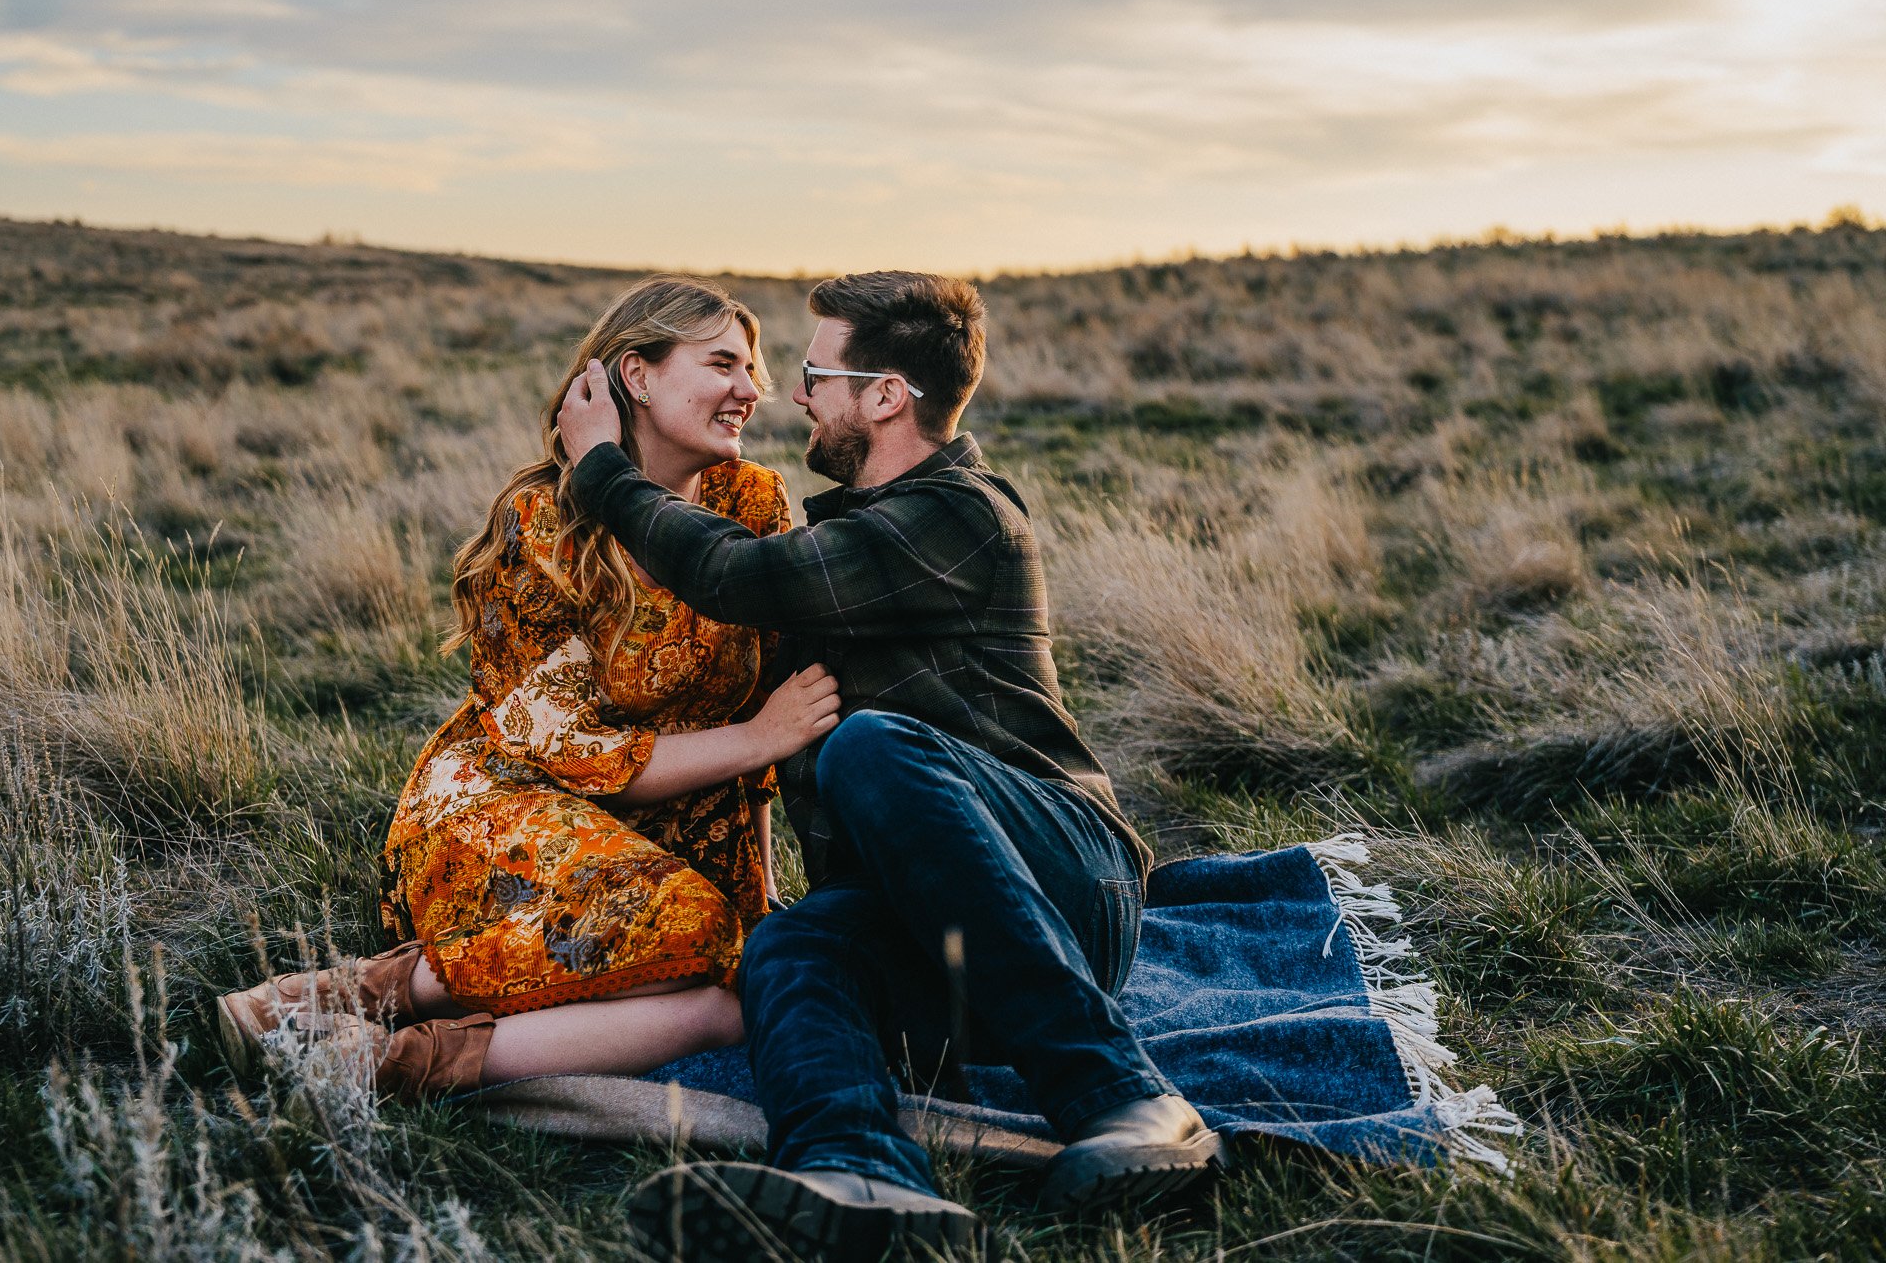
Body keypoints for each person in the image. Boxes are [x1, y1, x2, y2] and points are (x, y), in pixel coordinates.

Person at [556, 272, 1219, 1262]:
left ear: (883, 397)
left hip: (1067, 882)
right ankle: (856, 1175)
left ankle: (1128, 1102)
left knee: (872, 745)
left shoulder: (959, 515)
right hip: (934, 935)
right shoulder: (841, 535)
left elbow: (744, 578)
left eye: (817, 374)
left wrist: (606, 474)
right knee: (789, 948)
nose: (796, 395)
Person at [214, 275, 840, 1099]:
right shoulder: (545, 521)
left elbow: (752, 703)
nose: (749, 391)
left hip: (669, 825)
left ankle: (385, 1061)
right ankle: (369, 988)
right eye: (723, 363)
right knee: (685, 927)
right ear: (637, 375)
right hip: (511, 798)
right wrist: (763, 737)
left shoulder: (751, 499)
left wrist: (758, 885)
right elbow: (580, 753)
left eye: (754, 370)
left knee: (739, 990)